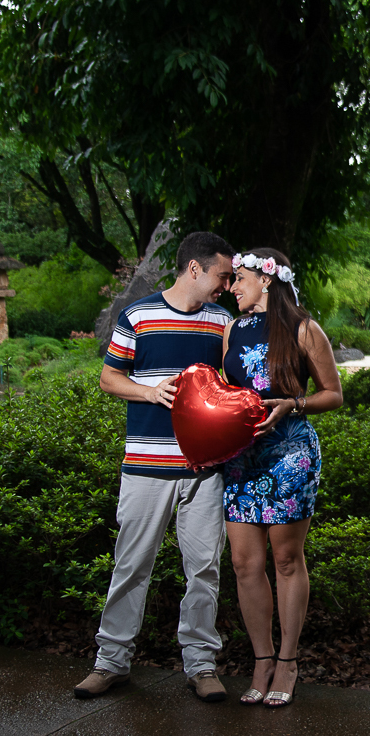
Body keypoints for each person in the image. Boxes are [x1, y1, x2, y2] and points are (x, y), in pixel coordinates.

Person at [74, 232, 236, 703]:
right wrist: (149, 392)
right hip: (145, 467)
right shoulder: (138, 314)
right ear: (194, 269)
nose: (226, 285)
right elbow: (108, 377)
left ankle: (202, 665)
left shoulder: (221, 321)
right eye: (222, 276)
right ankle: (110, 663)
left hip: (204, 472)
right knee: (131, 566)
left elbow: (232, 385)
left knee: (204, 570)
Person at [218, 248, 343, 707]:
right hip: (241, 456)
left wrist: (295, 404)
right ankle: (261, 659)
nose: (232, 287)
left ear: (267, 280)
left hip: (290, 454)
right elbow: (224, 390)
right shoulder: (232, 329)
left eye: (240, 278)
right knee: (244, 564)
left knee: (287, 561)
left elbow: (334, 394)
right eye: (231, 279)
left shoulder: (304, 329)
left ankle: (288, 661)